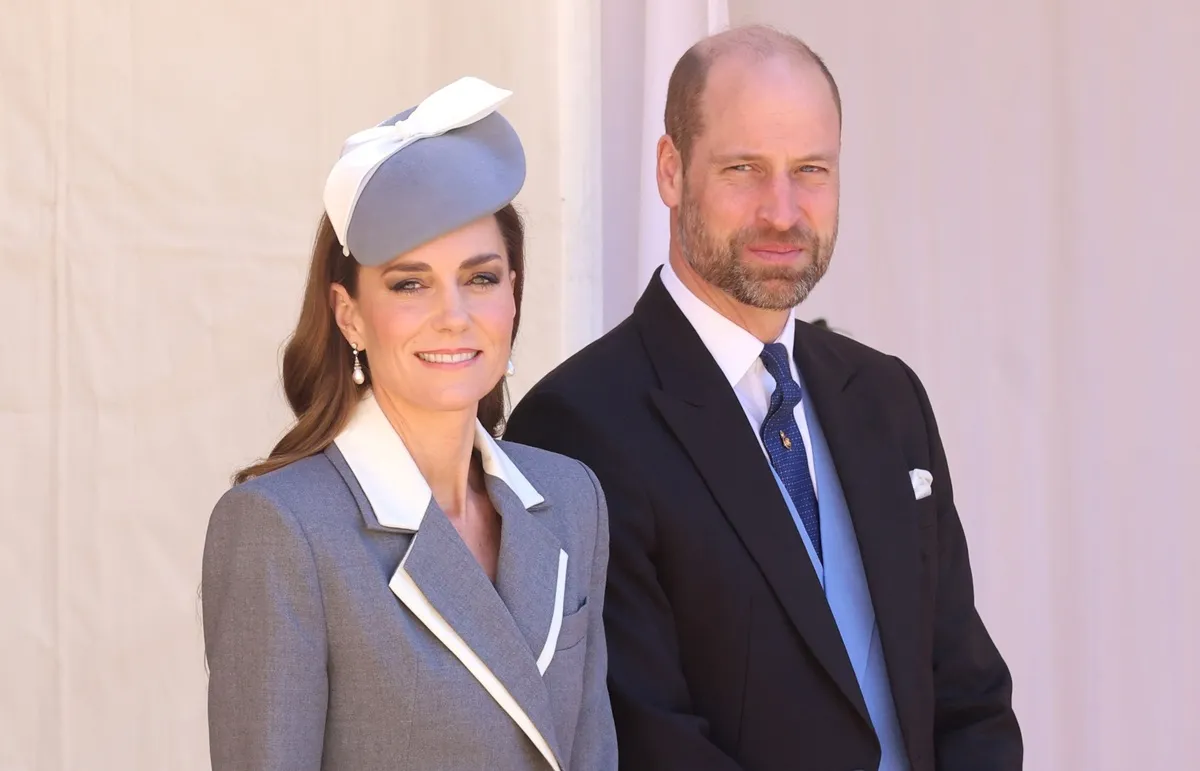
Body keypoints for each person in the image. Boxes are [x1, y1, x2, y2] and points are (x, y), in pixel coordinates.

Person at [504, 26, 1021, 771]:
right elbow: (648, 737)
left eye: (810, 169)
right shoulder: (577, 425)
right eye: (744, 168)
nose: (782, 211)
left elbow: (970, 694)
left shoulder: (888, 397)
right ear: (672, 171)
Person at [201, 76, 617, 771]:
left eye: (481, 277)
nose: (454, 314)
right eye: (409, 282)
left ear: (515, 291)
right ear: (349, 313)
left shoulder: (573, 499)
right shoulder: (279, 529)